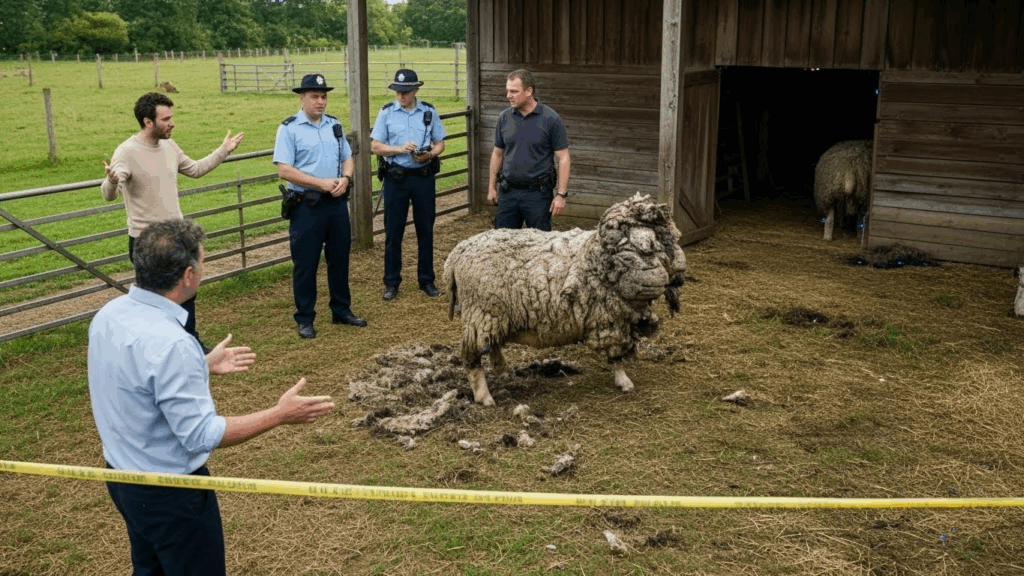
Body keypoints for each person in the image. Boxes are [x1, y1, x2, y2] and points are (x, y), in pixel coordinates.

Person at [88, 218, 335, 576]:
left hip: (123, 481)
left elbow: (137, 380)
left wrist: (200, 366)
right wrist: (279, 414)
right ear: (188, 275)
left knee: (149, 569)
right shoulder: (173, 344)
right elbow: (201, 435)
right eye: (203, 262)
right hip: (173, 497)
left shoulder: (109, 315)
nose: (204, 270)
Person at [102, 92, 245, 352]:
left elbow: (196, 169)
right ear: (148, 122)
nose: (172, 123)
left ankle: (190, 345)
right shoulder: (126, 152)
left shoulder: (170, 146)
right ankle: (157, 350)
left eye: (171, 117)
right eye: (166, 119)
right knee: (156, 301)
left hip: (177, 236)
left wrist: (224, 150)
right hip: (147, 242)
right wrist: (111, 182)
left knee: (186, 293)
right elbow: (109, 193)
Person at [273, 73, 366, 338]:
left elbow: (348, 157)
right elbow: (284, 170)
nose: (320, 102)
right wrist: (320, 183)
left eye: (324, 97)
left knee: (340, 258)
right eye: (314, 96)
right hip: (306, 206)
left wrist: (346, 179)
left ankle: (341, 310)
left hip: (336, 204)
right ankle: (305, 318)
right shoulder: (289, 129)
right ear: (302, 98)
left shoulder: (334, 125)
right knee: (306, 264)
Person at [371, 68, 447, 301]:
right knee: (393, 232)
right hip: (396, 178)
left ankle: (427, 280)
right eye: (397, 91)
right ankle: (391, 282)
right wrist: (399, 149)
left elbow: (440, 143)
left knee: (426, 229)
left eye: (405, 91)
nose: (401, 95)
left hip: (423, 177)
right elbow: (376, 146)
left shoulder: (429, 112)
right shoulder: (386, 113)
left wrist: (429, 155)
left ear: (415, 90)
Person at [487, 69, 571, 231]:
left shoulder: (550, 119)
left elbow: (563, 157)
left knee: (540, 242)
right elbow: (497, 154)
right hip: (508, 192)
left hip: (538, 194)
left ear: (528, 91)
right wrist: (491, 187)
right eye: (507, 91)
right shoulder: (504, 118)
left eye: (514, 91)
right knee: (503, 241)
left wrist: (561, 195)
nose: (508, 96)